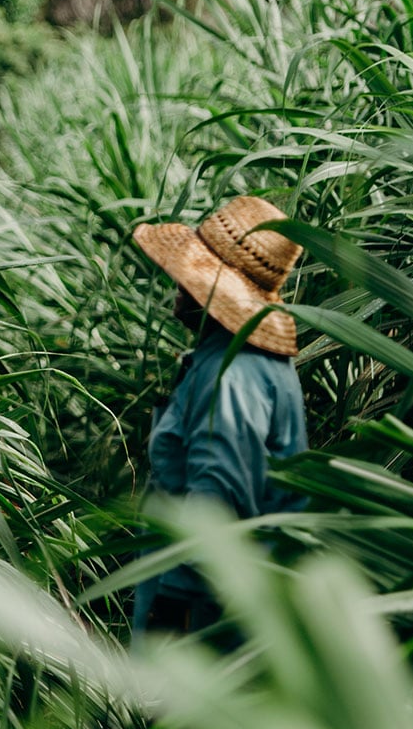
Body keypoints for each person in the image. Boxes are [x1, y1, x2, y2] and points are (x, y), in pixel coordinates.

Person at [129, 195, 308, 641]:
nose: (177, 283)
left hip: (209, 622)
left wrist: (173, 613)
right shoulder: (233, 361)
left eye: (190, 277)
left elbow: (218, 498)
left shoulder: (233, 372)